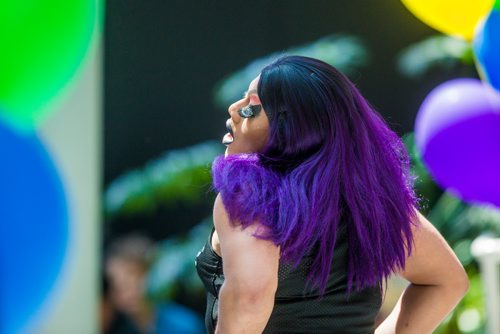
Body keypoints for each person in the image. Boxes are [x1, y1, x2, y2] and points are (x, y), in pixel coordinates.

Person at [195, 55, 469, 334]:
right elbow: (446, 281)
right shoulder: (371, 199)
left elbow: (250, 297)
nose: (234, 109)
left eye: (252, 109)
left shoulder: (251, 191)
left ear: (293, 131)